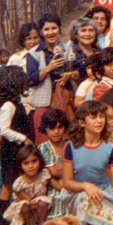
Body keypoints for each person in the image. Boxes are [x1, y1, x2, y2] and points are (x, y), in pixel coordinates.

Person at [26, 13, 81, 143]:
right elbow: (30, 79)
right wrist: (48, 68)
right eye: (46, 29)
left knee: (67, 137)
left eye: (54, 28)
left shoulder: (67, 48)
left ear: (59, 29)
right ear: (41, 32)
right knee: (44, 140)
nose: (50, 33)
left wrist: (70, 74)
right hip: (44, 102)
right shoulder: (34, 53)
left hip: (65, 99)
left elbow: (80, 70)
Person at [0, 66, 35, 225]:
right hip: (10, 151)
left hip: (17, 151)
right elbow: (3, 130)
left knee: (17, 185)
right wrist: (23, 139)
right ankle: (3, 224)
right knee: (7, 186)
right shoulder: (8, 106)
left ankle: (17, 221)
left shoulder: (17, 102)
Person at [1, 145, 50, 225]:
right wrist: (30, 202)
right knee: (24, 205)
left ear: (39, 161)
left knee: (43, 202)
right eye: (26, 163)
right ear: (21, 165)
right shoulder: (20, 182)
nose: (31, 166)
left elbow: (53, 183)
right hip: (24, 204)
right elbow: (24, 198)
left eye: (34, 161)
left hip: (37, 206)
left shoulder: (43, 175)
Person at [37, 108, 69, 220]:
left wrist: (63, 169)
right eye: (52, 128)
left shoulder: (70, 145)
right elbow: (51, 173)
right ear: (45, 128)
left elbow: (78, 168)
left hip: (70, 184)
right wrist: (67, 169)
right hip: (53, 187)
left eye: (60, 127)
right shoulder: (44, 148)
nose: (56, 131)